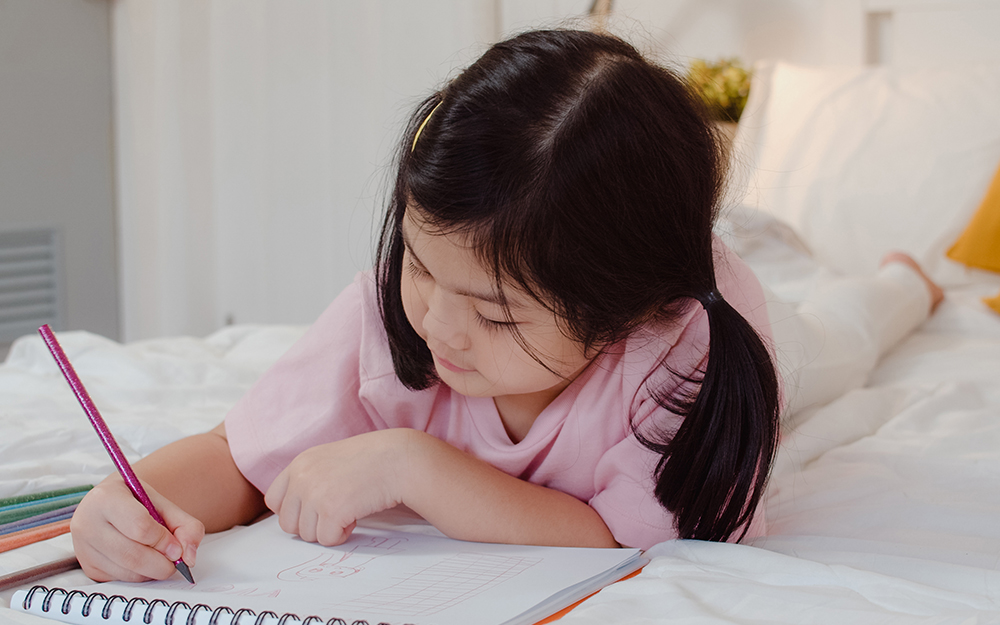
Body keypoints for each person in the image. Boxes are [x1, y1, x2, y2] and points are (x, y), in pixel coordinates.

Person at [71, 29, 786, 583]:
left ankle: (899, 282)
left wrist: (411, 464)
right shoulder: (397, 310)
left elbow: (624, 538)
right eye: (418, 262)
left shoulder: (684, 348)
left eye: (497, 315)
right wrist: (133, 499)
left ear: (626, 311)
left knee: (848, 326)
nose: (438, 325)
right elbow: (239, 456)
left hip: (765, 312)